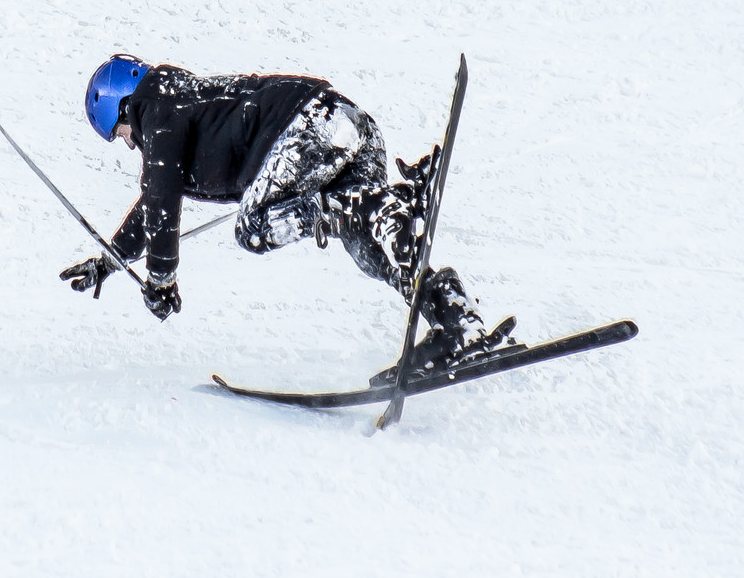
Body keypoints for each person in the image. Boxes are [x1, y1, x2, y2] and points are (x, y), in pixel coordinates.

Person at [60, 54, 506, 372]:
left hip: (307, 125)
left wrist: (161, 280)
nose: (127, 141)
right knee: (369, 245)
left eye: (118, 131)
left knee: (255, 226)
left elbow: (160, 202)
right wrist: (108, 263)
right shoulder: (181, 105)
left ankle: (391, 204)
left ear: (122, 105)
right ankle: (454, 318)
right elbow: (152, 206)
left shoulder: (157, 107)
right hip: (345, 122)